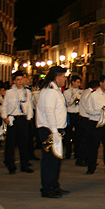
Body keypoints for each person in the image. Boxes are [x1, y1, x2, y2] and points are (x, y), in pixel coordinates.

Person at [36, 66, 69, 198]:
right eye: (64, 77)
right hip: (49, 129)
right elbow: (49, 112)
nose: (65, 79)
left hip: (56, 129)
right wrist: (54, 132)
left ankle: (54, 185)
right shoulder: (49, 92)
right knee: (50, 160)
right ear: (57, 77)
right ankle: (47, 188)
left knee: (56, 159)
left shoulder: (56, 91)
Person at [84, 75, 105, 174]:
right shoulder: (93, 95)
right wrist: (100, 112)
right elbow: (88, 109)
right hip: (97, 122)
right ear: (101, 83)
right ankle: (91, 167)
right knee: (94, 146)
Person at [1, 71, 34, 174]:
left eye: (21, 80)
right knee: (10, 144)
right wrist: (4, 116)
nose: (20, 82)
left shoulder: (27, 92)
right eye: (18, 80)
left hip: (23, 119)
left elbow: (29, 106)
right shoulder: (9, 92)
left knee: (23, 143)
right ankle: (10, 165)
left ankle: (24, 164)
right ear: (14, 81)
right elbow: (4, 106)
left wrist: (29, 118)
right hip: (12, 120)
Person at [63, 75, 83, 160]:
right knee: (68, 134)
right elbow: (67, 103)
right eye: (77, 82)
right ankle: (68, 152)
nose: (79, 84)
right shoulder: (67, 92)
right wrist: (73, 98)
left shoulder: (81, 92)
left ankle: (77, 152)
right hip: (70, 113)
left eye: (79, 82)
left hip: (78, 114)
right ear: (73, 82)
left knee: (78, 135)